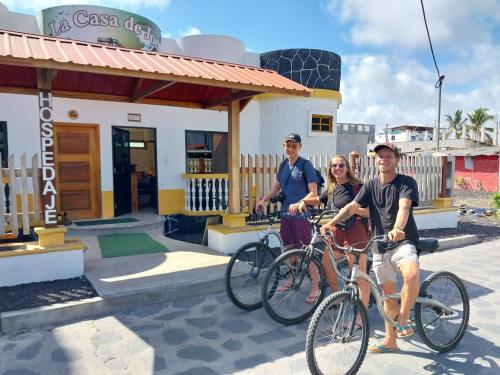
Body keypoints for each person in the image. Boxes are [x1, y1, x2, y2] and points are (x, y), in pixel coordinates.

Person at [320, 143, 420, 353]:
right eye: (380, 156)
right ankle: (390, 341)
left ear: (397, 159)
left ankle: (403, 318)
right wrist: (331, 223)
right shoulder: (371, 184)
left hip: (403, 240)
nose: (383, 159)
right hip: (380, 244)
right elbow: (352, 207)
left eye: (388, 156)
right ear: (376, 160)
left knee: (411, 276)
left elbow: (404, 207)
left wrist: (397, 228)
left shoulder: (406, 182)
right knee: (388, 294)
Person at [297, 155, 370, 312]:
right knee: (327, 263)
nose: (337, 168)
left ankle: (360, 316)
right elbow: (319, 199)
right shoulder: (332, 187)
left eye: (341, 165)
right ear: (330, 169)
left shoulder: (357, 186)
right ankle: (337, 297)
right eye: (334, 165)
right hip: (336, 231)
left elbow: (370, 212)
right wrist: (304, 201)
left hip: (355, 231)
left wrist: (355, 210)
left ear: (347, 168)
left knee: (358, 274)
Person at [256, 133, 319, 303]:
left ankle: (315, 287)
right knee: (290, 250)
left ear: (300, 147)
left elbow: (314, 192)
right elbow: (276, 188)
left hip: (301, 215)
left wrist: (300, 203)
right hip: (285, 215)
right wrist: (264, 199)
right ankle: (292, 279)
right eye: (288, 145)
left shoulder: (306, 166)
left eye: (294, 145)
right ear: (284, 146)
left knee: (305, 252)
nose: (290, 148)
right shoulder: (283, 165)